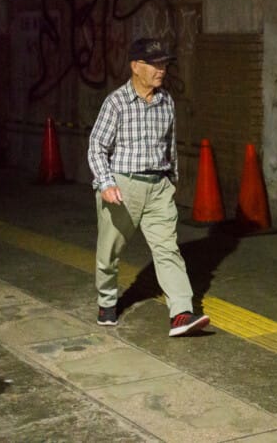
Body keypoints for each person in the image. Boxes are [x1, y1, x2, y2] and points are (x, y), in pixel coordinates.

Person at [87, 37, 210, 337]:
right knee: (109, 253)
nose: (161, 70)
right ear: (135, 66)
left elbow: (170, 145)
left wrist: (172, 181)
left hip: (158, 187)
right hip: (122, 187)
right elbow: (96, 146)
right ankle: (106, 303)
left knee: (168, 250)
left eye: (164, 64)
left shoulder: (166, 101)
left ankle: (181, 312)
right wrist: (105, 183)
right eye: (155, 64)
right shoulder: (116, 103)